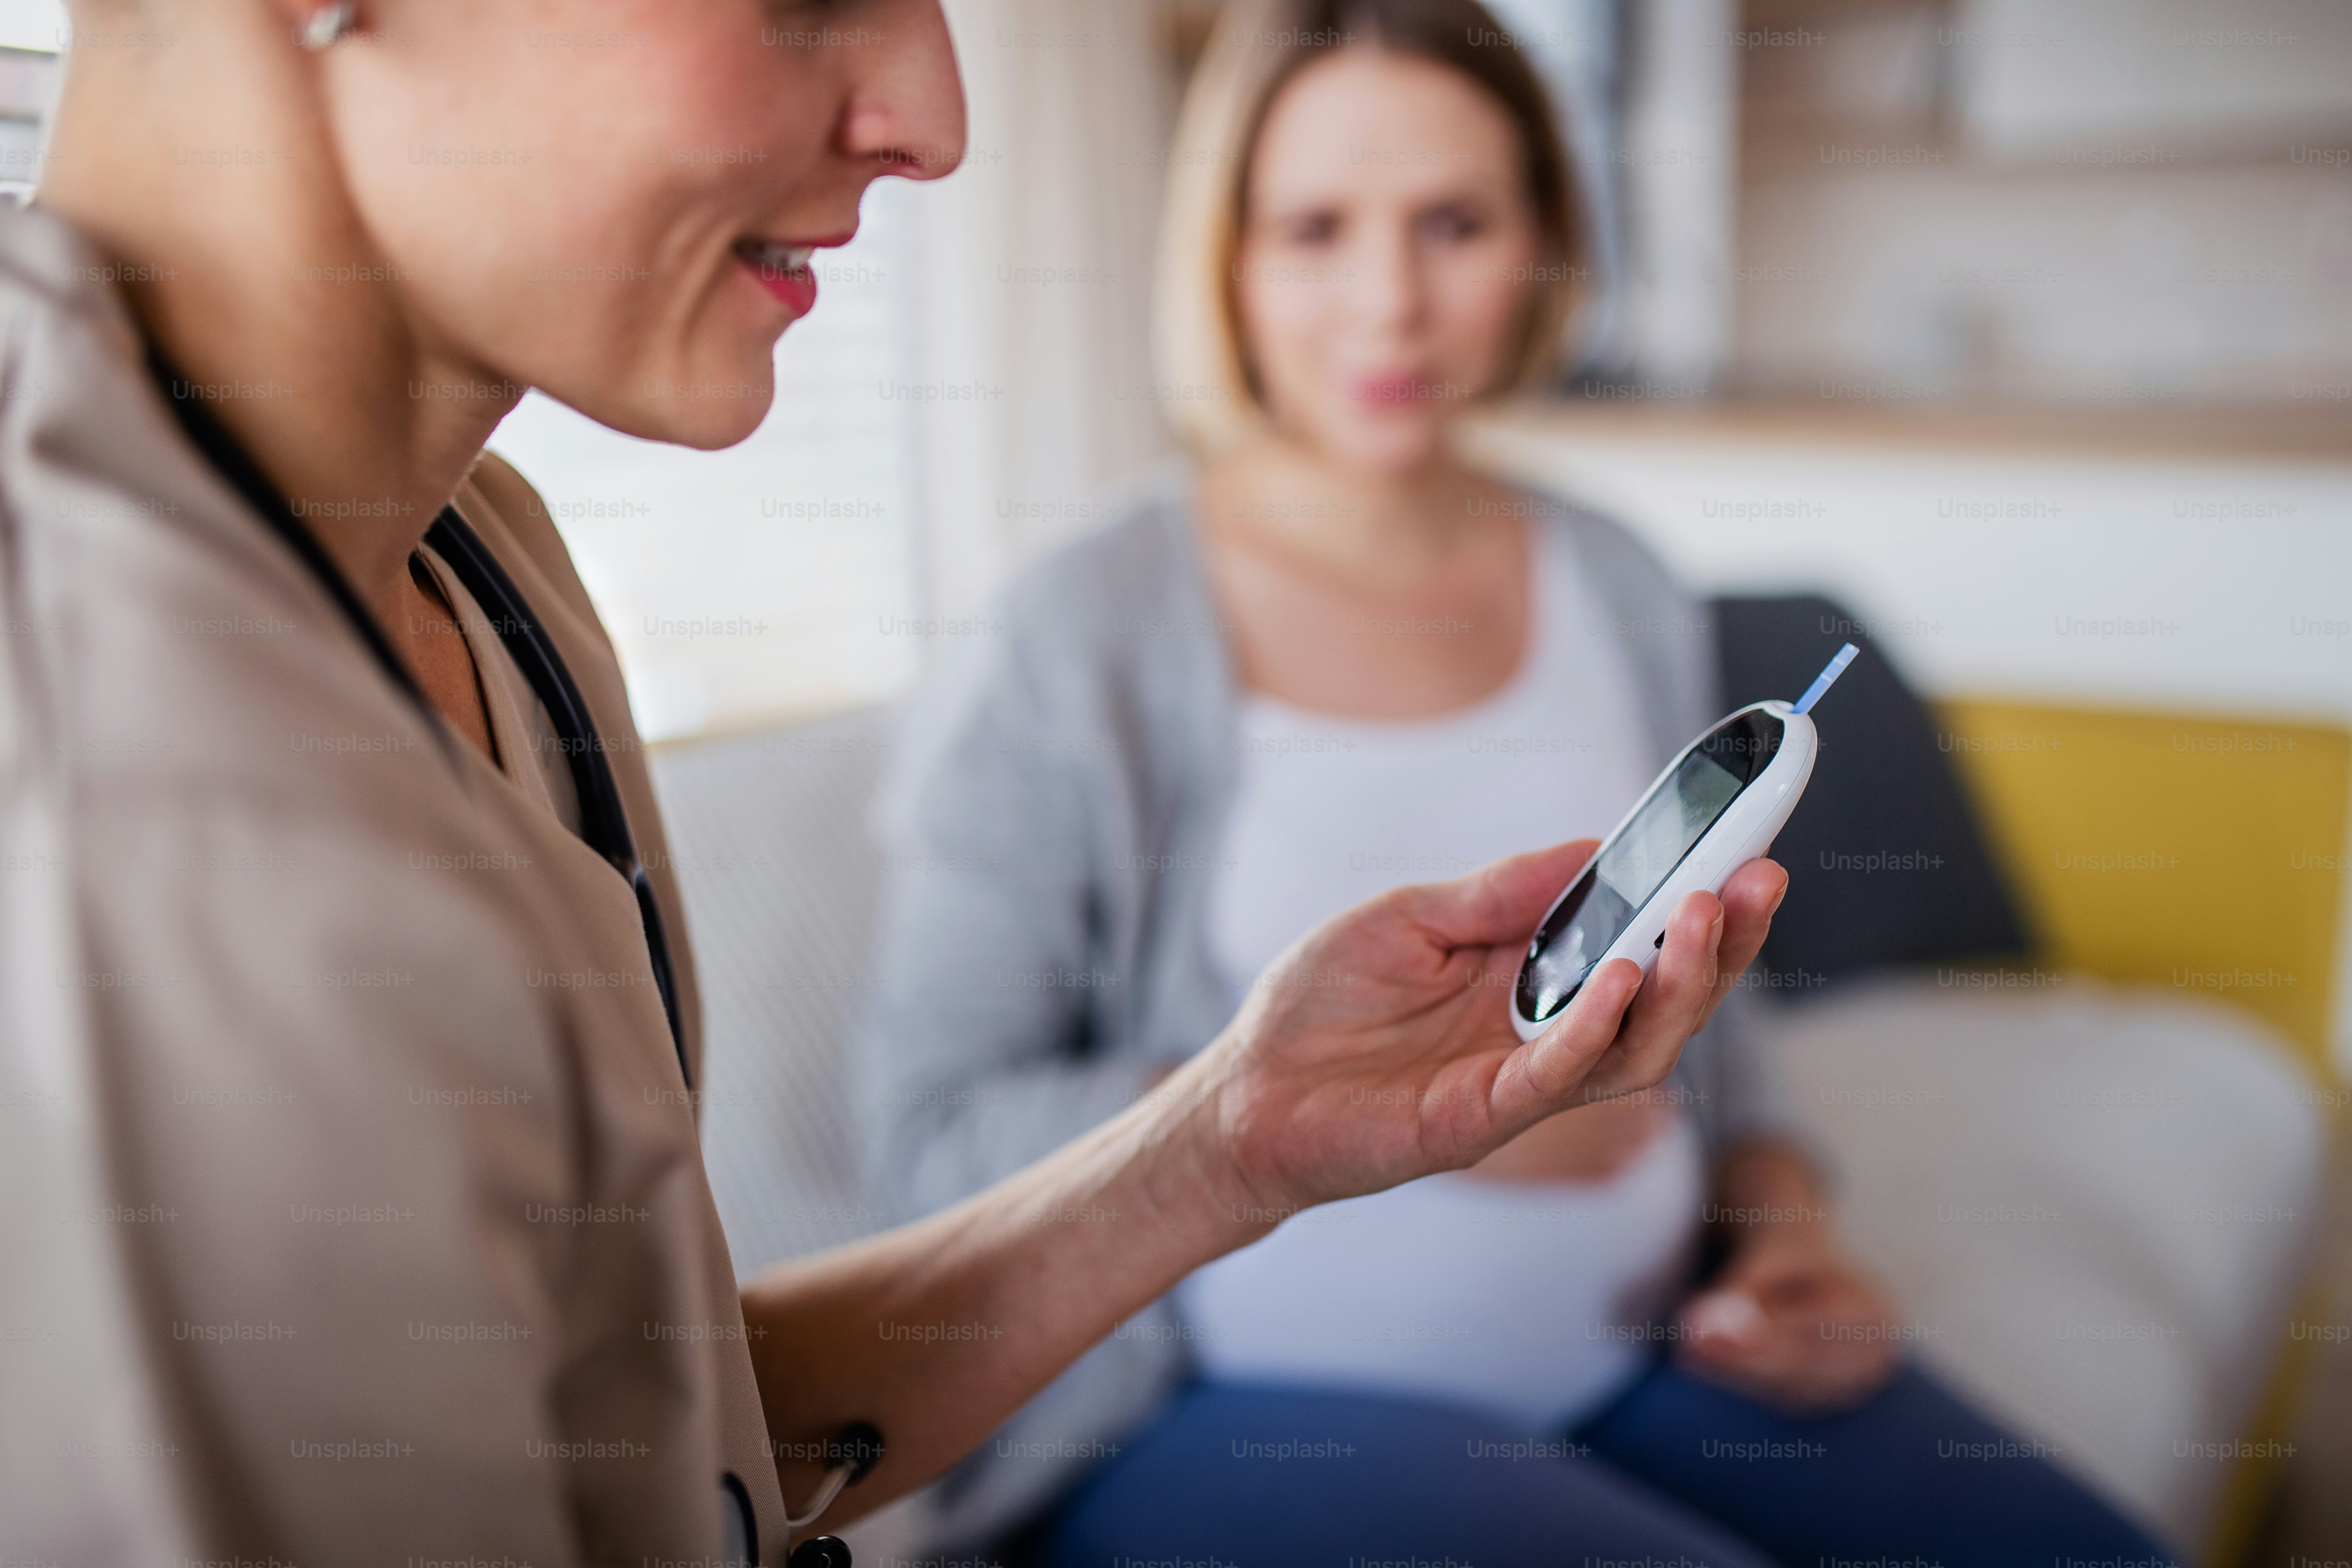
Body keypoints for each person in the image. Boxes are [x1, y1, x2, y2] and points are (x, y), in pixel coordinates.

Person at [0, 2, 1786, 1565]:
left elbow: (650, 1441)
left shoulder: (483, 565)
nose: (936, 115)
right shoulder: (89, 757)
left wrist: (1228, 1136)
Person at [858, 2, 2179, 1564]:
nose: (1389, 304)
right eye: (1314, 229)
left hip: (1651, 1351)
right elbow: (933, 1138)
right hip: (1220, 1407)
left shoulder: (1614, 577)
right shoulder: (1079, 630)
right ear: (1221, 256)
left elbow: (1716, 1004)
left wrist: (1781, 1228)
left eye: (1455, 223)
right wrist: (1377, 1107)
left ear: (1547, 238)